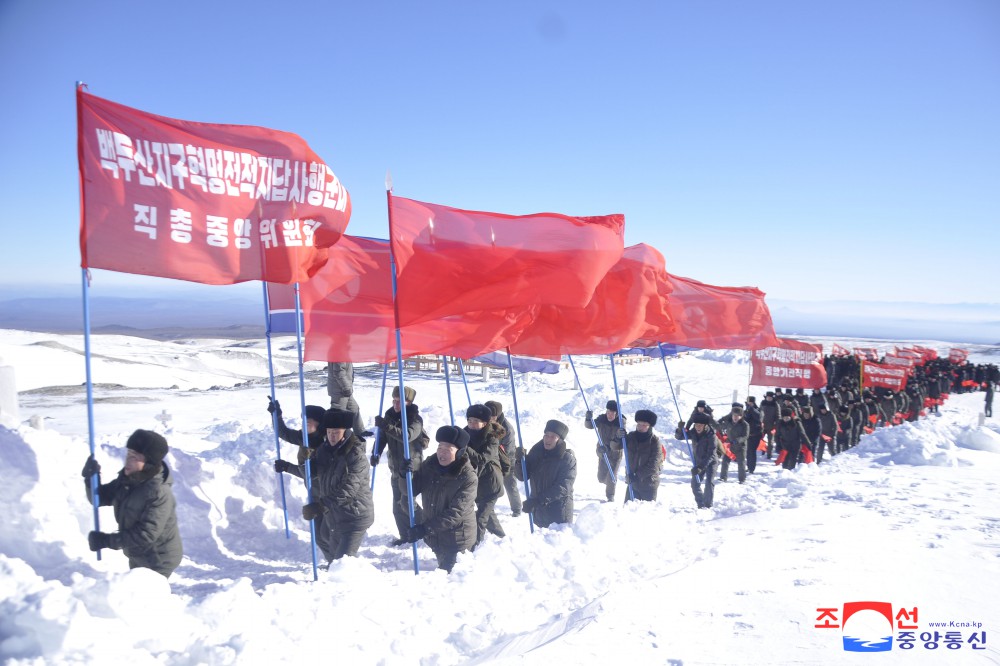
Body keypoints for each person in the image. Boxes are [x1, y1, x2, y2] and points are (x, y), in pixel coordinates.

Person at [276, 408, 374, 564]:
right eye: (329, 432)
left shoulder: (356, 457)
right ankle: (332, 571)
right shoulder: (325, 450)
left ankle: (342, 579)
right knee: (323, 540)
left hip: (355, 516)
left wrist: (320, 506)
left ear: (345, 432)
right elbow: (309, 472)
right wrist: (290, 467)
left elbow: (348, 490)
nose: (332, 436)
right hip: (336, 514)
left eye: (336, 432)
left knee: (343, 563)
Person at [81, 429, 183, 578]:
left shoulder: (159, 493)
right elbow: (100, 498)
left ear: (149, 462)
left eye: (135, 457)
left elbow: (145, 535)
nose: (128, 461)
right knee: (135, 593)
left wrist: (107, 541)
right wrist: (91, 479)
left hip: (159, 558)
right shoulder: (128, 480)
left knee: (147, 597)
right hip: (138, 553)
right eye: (128, 454)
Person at [406, 426, 478, 572]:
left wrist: (425, 528)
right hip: (437, 536)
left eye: (448, 449)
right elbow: (412, 489)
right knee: (442, 569)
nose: (441, 453)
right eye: (440, 447)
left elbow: (455, 513)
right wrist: (405, 475)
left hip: (457, 541)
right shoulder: (430, 465)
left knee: (450, 582)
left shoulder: (467, 477)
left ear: (460, 452)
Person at [371, 386, 429, 546]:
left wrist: (386, 426)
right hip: (395, 468)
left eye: (400, 401)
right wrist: (375, 453)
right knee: (397, 507)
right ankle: (406, 537)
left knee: (407, 503)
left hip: (411, 468)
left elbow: (407, 436)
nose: (396, 404)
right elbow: (382, 437)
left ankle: (428, 529)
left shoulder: (415, 419)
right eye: (394, 400)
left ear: (409, 403)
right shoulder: (389, 416)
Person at [515, 419, 577, 528]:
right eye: (546, 435)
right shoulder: (536, 453)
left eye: (553, 436)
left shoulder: (567, 459)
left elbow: (563, 487)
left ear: (559, 440)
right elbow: (522, 476)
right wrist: (520, 461)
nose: (548, 439)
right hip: (539, 512)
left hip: (558, 513)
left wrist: (537, 501)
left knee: (557, 543)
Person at [464, 404, 506, 543]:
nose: (472, 424)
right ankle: (501, 538)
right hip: (476, 483)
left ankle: (476, 546)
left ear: (485, 423)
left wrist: (465, 448)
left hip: (491, 484)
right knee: (488, 514)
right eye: (470, 421)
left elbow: (482, 459)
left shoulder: (492, 438)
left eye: (476, 421)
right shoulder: (465, 435)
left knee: (481, 517)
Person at [584, 399, 626, 502]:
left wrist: (619, 435)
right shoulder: (602, 419)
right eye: (608, 412)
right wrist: (588, 418)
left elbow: (619, 441)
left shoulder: (620, 422)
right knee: (601, 477)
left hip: (615, 453)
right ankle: (608, 481)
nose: (609, 415)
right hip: (602, 451)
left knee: (611, 475)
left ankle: (610, 496)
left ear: (617, 414)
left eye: (612, 413)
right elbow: (590, 426)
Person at [485, 400, 520, 516]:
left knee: (510, 484)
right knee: (490, 485)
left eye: (493, 416)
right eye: (488, 415)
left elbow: (508, 450)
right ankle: (489, 508)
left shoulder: (507, 429)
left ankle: (516, 509)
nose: (490, 418)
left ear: (498, 415)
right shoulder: (483, 422)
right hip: (490, 458)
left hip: (506, 460)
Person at [267, 398, 326, 465]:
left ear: (320, 425)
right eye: (303, 422)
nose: (303, 425)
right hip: (304, 473)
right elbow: (282, 432)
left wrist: (287, 467)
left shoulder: (327, 441)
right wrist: (277, 414)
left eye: (307, 423)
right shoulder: (302, 436)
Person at [624, 409, 663, 502]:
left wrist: (637, 476)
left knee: (646, 513)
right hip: (632, 483)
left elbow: (654, 465)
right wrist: (618, 437)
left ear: (650, 427)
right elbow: (616, 446)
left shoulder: (655, 442)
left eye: (644, 425)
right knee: (628, 512)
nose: (640, 427)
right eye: (639, 424)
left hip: (648, 485)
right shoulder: (631, 437)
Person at [688, 413, 720, 508]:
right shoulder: (693, 432)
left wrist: (701, 467)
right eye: (696, 424)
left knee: (709, 482)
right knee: (694, 484)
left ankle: (708, 505)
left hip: (711, 461)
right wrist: (679, 429)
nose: (698, 427)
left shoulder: (711, 436)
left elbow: (711, 454)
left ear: (705, 426)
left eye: (700, 425)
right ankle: (701, 504)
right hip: (699, 462)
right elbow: (680, 436)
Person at [326, 362, 366, 437]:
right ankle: (334, 436)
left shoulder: (344, 353)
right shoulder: (339, 353)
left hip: (345, 390)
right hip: (339, 390)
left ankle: (359, 431)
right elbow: (338, 372)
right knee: (338, 413)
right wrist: (346, 387)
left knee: (354, 408)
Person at [716, 405, 749, 484]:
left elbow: (745, 436)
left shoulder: (745, 424)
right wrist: (716, 422)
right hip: (730, 446)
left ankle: (742, 479)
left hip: (741, 446)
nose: (735, 417)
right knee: (725, 461)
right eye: (734, 415)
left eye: (737, 416)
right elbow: (719, 426)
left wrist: (738, 440)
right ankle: (723, 477)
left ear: (741, 416)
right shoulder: (729, 422)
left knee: (741, 463)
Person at [744, 396, 763, 474]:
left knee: (752, 451)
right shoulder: (746, 411)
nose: (750, 404)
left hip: (756, 434)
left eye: (751, 403)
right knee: (748, 451)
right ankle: (749, 466)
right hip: (748, 434)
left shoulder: (758, 410)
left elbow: (759, 417)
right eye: (748, 403)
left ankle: (752, 468)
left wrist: (751, 409)